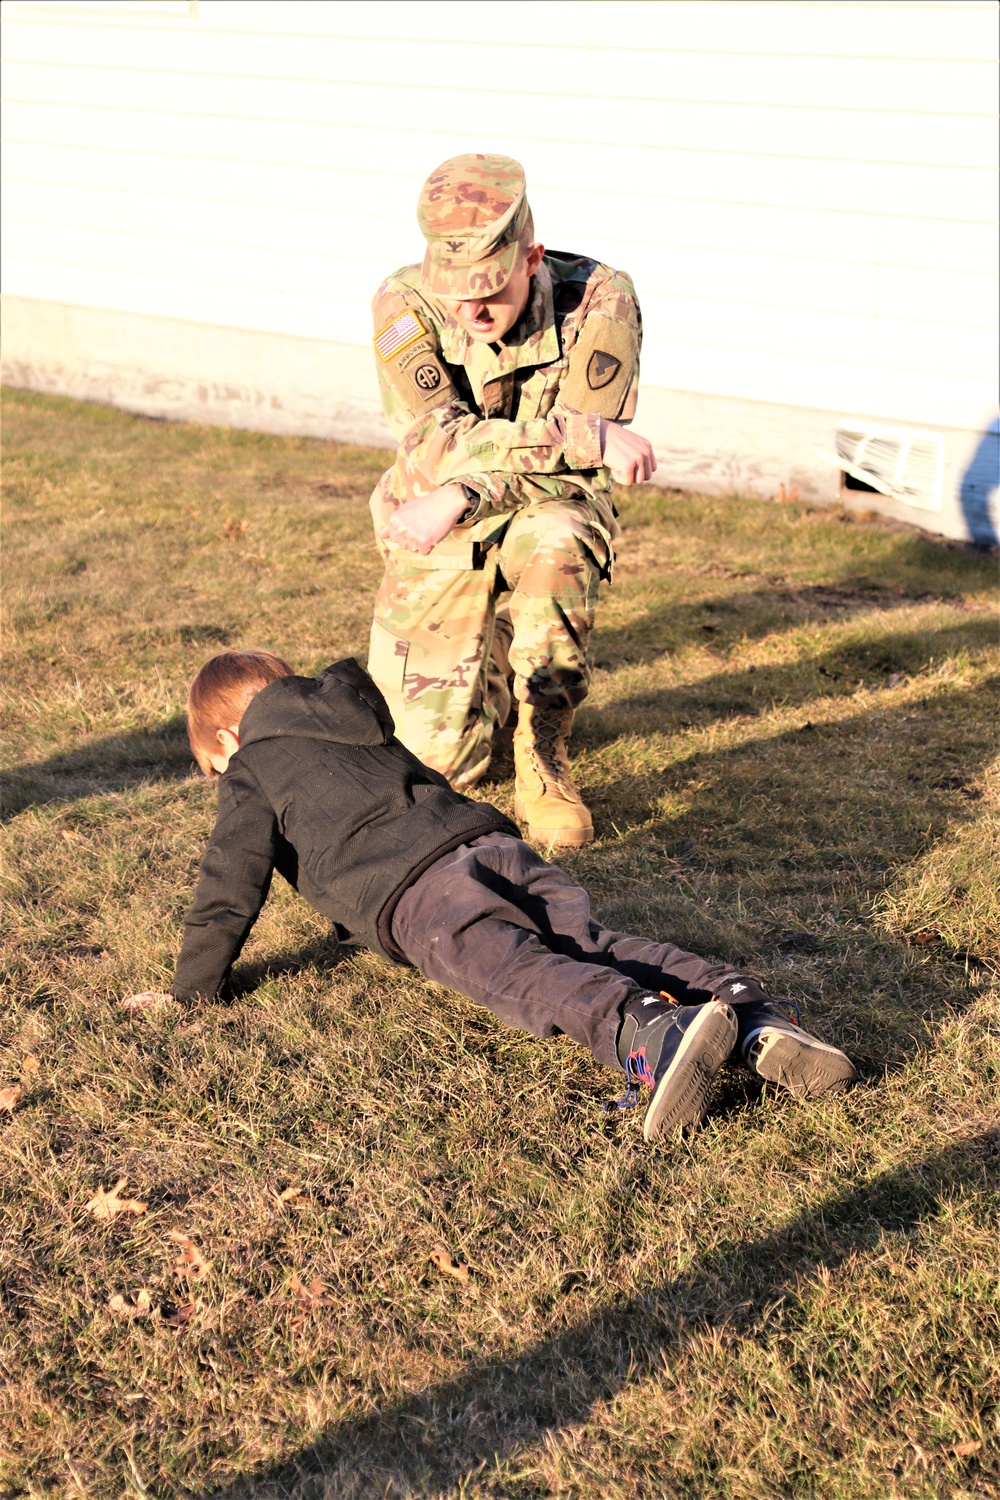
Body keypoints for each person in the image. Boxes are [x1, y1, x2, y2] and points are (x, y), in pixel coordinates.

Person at [125, 651, 858, 1143]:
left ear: (227, 737)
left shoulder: (254, 766)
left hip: (420, 897)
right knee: (589, 940)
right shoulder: (352, 720)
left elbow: (230, 884)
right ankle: (751, 1010)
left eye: (213, 767)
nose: (223, 779)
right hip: (490, 845)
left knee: (519, 971)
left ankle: (651, 1037)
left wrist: (194, 990)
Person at [367, 152, 658, 849]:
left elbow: (574, 479)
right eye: (457, 294)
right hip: (439, 523)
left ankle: (543, 752)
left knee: (559, 533)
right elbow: (439, 445)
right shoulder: (402, 302)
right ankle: (499, 658)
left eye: (490, 292)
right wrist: (580, 435)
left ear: (533, 256)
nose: (471, 311)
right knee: (439, 765)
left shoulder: (601, 298)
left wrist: (469, 487)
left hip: (538, 510)